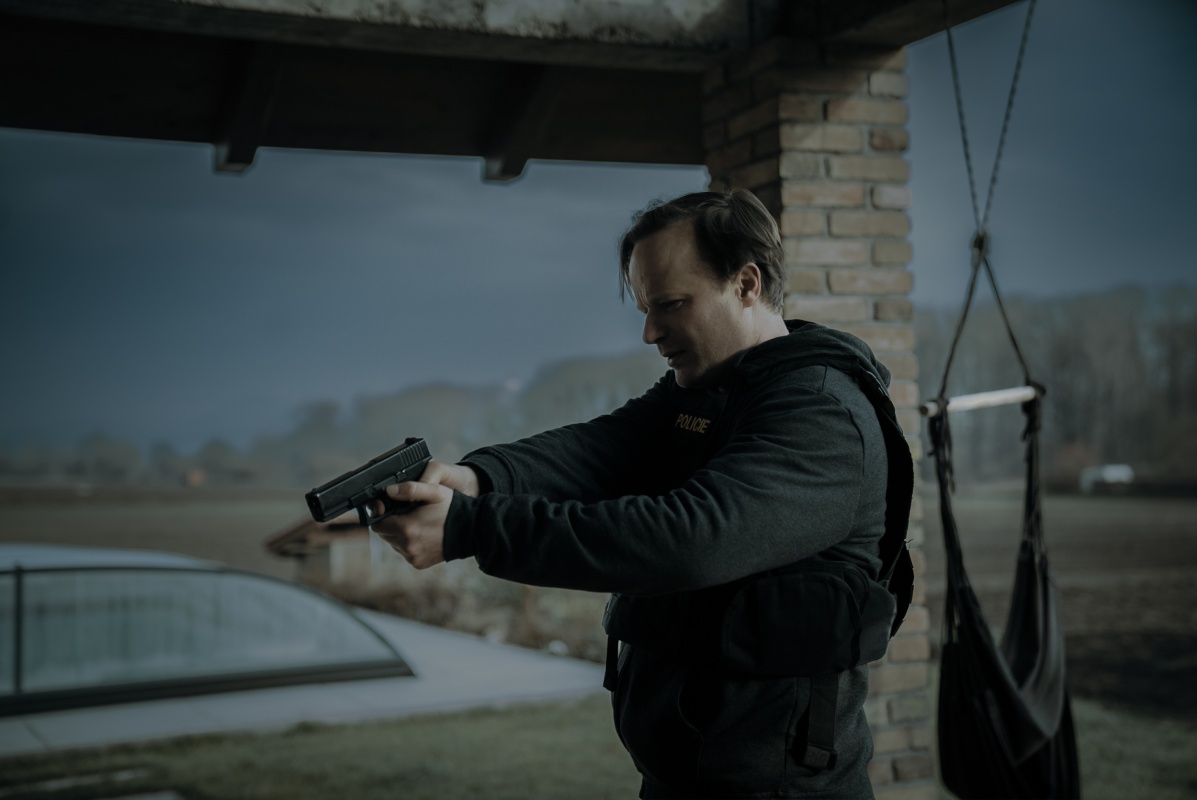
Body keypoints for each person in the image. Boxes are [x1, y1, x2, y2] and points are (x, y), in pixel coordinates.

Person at [369, 188, 908, 799]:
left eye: (671, 305)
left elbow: (689, 540)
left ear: (746, 284)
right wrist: (478, 479)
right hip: (682, 779)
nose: (650, 332)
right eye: (647, 309)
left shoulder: (821, 412)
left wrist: (469, 527)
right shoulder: (707, 391)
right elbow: (597, 448)